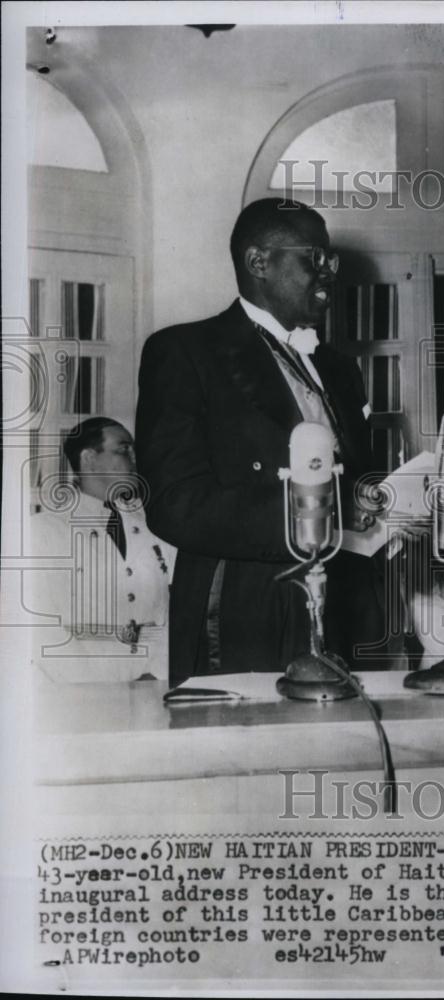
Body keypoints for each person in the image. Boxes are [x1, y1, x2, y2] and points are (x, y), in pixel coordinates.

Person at [135, 198, 385, 685]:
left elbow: (349, 478)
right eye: (314, 258)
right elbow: (174, 504)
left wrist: (378, 501)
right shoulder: (184, 352)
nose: (329, 272)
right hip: (238, 608)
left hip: (342, 607)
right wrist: (319, 511)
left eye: (331, 260)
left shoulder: (339, 368)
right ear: (258, 263)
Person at [29, 417, 175, 679]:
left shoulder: (156, 526)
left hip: (153, 683)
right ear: (88, 458)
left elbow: (174, 610)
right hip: (80, 689)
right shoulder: (45, 531)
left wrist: (158, 671)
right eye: (123, 449)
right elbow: (40, 627)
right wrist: (91, 682)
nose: (134, 459)